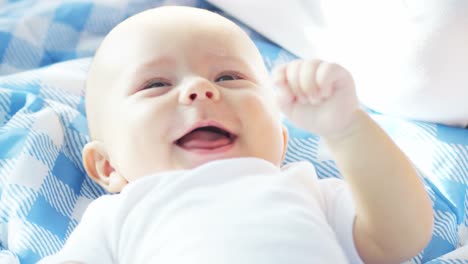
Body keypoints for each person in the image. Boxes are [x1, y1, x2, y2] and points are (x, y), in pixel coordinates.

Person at [39, 6, 433, 264]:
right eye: (155, 84)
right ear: (107, 166)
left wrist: (346, 128)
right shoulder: (118, 217)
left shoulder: (306, 191)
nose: (200, 90)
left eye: (229, 77)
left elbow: (402, 238)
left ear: (280, 142)